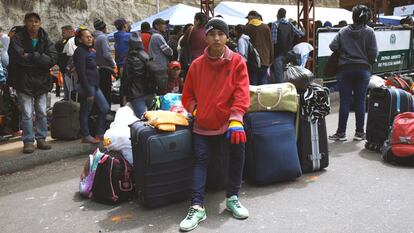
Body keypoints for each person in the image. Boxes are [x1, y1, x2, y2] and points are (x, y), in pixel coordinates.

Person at [180, 17, 250, 232]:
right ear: (206, 38)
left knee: (237, 156)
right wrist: (195, 110)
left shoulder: (237, 61)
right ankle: (197, 206)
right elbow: (188, 94)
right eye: (212, 34)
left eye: (221, 34)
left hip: (231, 124)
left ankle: (233, 197)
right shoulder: (196, 65)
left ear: (227, 37)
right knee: (200, 161)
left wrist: (237, 118)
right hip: (203, 124)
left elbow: (242, 92)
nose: (217, 38)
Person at [8, 12, 58, 153]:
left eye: (36, 21)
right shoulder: (17, 38)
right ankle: (28, 141)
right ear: (25, 22)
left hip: (41, 81)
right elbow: (17, 58)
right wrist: (41, 61)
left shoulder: (45, 38)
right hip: (24, 80)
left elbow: (53, 58)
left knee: (42, 111)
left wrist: (31, 56)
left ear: (40, 23)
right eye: (30, 21)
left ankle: (41, 138)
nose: (34, 24)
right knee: (27, 113)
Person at [328, 5, 378, 141]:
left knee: (344, 101)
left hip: (344, 70)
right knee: (360, 101)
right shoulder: (370, 32)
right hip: (363, 70)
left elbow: (332, 46)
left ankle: (341, 133)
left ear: (353, 16)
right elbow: (374, 54)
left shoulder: (343, 31)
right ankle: (359, 133)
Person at [73, 28, 109, 144]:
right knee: (85, 111)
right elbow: (81, 72)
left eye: (90, 36)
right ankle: (86, 135)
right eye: (86, 37)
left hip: (95, 85)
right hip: (87, 86)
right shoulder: (79, 51)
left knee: (104, 107)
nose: (90, 38)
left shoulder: (89, 51)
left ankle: (99, 132)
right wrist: (88, 91)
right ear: (79, 39)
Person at [124, 31, 155, 118]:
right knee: (151, 118)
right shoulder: (146, 55)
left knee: (142, 119)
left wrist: (124, 95)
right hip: (150, 92)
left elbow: (127, 78)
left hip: (136, 93)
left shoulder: (130, 59)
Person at [271, 8, 304, 83]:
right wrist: (302, 27)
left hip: (278, 54)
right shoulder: (290, 25)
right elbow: (301, 34)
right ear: (285, 15)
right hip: (288, 53)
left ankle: (281, 92)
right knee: (287, 73)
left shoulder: (275, 24)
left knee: (279, 76)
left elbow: (274, 41)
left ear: (277, 15)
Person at [244, 10, 273, 85]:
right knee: (263, 82)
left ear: (251, 18)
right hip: (265, 59)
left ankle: (253, 97)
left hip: (252, 60)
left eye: (248, 18)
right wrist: (271, 59)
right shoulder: (266, 27)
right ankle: (264, 97)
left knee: (253, 82)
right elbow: (270, 44)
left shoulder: (247, 28)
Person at [93, 18, 116, 108]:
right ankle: (106, 110)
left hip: (98, 67)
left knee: (101, 90)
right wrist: (113, 64)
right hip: (105, 68)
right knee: (106, 91)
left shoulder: (95, 37)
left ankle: (101, 110)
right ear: (104, 27)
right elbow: (106, 54)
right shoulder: (103, 38)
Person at [113, 18, 131, 106]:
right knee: (126, 87)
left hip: (120, 65)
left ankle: (123, 106)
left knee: (123, 86)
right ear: (124, 26)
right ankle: (125, 106)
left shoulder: (116, 36)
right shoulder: (127, 36)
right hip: (126, 65)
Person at [55, 25, 75, 99]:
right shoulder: (62, 42)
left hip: (69, 68)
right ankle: (68, 99)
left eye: (64, 33)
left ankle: (69, 100)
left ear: (70, 31)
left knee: (70, 88)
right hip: (64, 67)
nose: (62, 34)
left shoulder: (71, 41)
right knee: (68, 87)